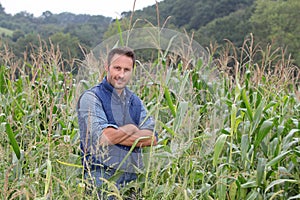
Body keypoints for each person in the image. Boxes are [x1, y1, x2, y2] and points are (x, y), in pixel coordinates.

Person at [77, 47, 157, 198]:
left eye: (126, 69)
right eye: (117, 68)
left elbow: (152, 138)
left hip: (131, 180)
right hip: (100, 178)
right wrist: (133, 128)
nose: (121, 75)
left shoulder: (135, 101)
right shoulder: (91, 98)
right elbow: (103, 137)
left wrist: (118, 134)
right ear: (107, 67)